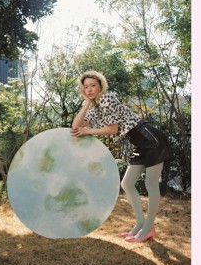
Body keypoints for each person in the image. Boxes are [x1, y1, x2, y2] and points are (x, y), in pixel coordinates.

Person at [71, 70, 173, 242]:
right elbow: (76, 127)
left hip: (150, 138)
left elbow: (113, 129)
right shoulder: (95, 106)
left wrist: (89, 131)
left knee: (151, 184)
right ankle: (140, 224)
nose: (89, 89)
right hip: (138, 143)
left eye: (93, 85)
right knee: (126, 183)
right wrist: (86, 103)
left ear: (101, 86)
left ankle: (148, 228)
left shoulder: (107, 98)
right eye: (86, 87)